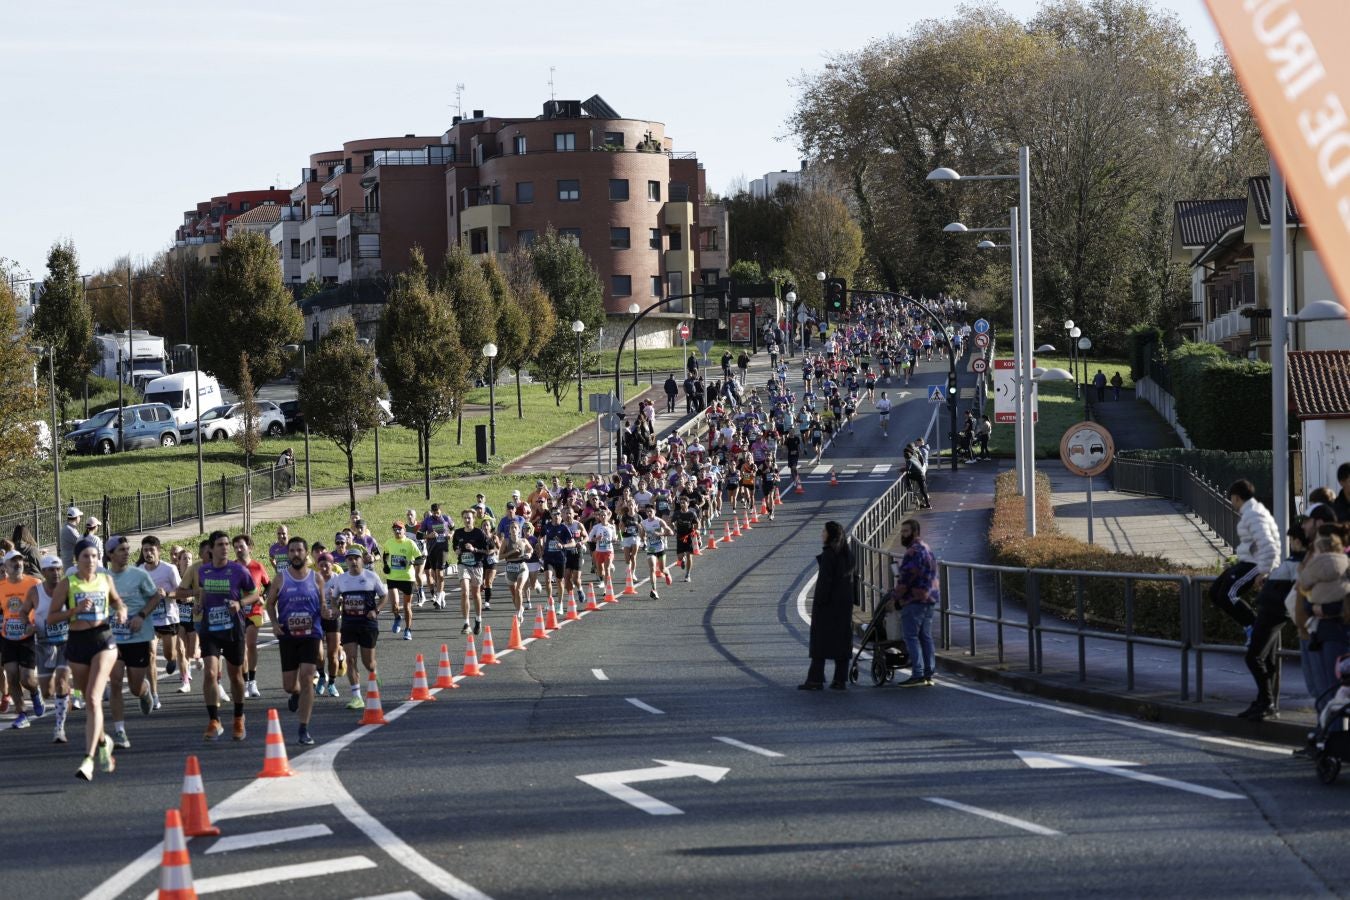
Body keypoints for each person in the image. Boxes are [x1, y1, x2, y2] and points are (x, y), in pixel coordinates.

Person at [47, 537, 126, 780]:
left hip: (103, 640)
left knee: (92, 697)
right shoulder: (67, 584)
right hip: (78, 642)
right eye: (86, 556)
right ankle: (103, 743)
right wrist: (75, 611)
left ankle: (88, 760)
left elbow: (117, 601)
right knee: (91, 704)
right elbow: (51, 617)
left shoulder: (105, 579)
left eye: (94, 556)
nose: (91, 560)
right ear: (77, 560)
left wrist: (121, 611)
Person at [195, 531, 256, 742]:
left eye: (227, 544)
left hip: (232, 628)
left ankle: (239, 717)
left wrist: (240, 603)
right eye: (220, 544)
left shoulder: (238, 570)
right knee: (210, 673)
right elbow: (203, 591)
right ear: (211, 549)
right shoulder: (204, 571)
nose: (225, 548)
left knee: (236, 675)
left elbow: (254, 594)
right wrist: (199, 604)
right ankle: (214, 720)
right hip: (210, 629)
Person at [266, 535, 327, 745]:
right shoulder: (280, 578)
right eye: (292, 551)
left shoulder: (316, 578)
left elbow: (323, 605)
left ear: (306, 553)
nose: (295, 554)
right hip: (288, 636)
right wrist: (274, 624)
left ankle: (304, 728)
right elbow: (269, 604)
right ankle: (296, 693)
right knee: (289, 685)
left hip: (311, 634)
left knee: (307, 677)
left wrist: (327, 612)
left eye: (299, 550)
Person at [1240, 525, 1304, 720]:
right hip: (1271, 610)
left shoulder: (1301, 562)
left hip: (1274, 612)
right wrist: (1270, 579)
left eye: (1292, 540)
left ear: (1298, 541)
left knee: (1254, 657)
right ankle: (1263, 701)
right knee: (1265, 658)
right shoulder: (1295, 560)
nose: (1290, 543)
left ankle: (1267, 702)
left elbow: (1297, 588)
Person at [105, 535, 162, 749]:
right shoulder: (103, 578)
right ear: (110, 554)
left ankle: (144, 691)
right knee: (115, 682)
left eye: (128, 549)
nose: (127, 553)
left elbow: (156, 596)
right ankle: (120, 731)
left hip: (138, 637)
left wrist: (141, 615)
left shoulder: (139, 575)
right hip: (113, 638)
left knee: (135, 686)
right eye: (122, 549)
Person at [1208, 480, 1279, 633]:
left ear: (1236, 498)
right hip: (1246, 562)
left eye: (1231, 499)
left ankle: (1255, 628)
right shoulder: (1249, 513)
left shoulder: (1254, 514)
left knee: (1228, 595)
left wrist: (1264, 571)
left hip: (1255, 564)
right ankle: (1250, 626)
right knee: (1215, 592)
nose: (1232, 503)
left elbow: (1269, 543)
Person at [800, 521, 855, 691]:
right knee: (842, 641)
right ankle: (840, 679)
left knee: (820, 643)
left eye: (824, 531)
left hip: (828, 605)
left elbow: (824, 582)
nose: (821, 534)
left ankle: (815, 679)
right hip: (844, 605)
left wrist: (819, 603)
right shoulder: (848, 555)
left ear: (830, 535)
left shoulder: (829, 555)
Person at [334, 546, 387, 710]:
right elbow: (334, 598)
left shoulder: (371, 576)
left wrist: (376, 610)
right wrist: (336, 609)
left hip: (367, 623)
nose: (353, 561)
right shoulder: (341, 579)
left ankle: (374, 671)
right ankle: (356, 697)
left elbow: (384, 596)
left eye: (356, 558)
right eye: (349, 559)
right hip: (349, 623)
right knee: (350, 659)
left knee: (368, 662)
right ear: (346, 562)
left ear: (362, 560)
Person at [891, 518, 939, 686]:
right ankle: (929, 672)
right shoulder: (927, 548)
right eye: (902, 531)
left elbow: (906, 579)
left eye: (906, 531)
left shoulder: (912, 552)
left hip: (914, 599)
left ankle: (917, 673)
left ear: (915, 532)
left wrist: (895, 597)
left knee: (910, 636)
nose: (902, 535)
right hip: (930, 598)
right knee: (925, 636)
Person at [31, 554, 71, 742]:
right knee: (47, 692)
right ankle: (63, 694)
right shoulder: (35, 592)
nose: (56, 573)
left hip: (66, 643)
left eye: (58, 569)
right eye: (51, 570)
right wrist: (28, 625)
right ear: (44, 572)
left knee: (61, 682)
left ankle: (59, 728)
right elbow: (23, 612)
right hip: (44, 645)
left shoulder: (69, 589)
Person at [2, 550, 43, 728]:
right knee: (11, 675)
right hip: (7, 636)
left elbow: (43, 608)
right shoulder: (1, 586)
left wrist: (36, 625)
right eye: (13, 561)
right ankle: (22, 714)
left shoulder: (34, 584)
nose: (17, 564)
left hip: (28, 635)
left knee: (26, 679)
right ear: (5, 567)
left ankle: (35, 692)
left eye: (19, 560)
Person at [233, 534, 270, 700]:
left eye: (241, 546)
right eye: (236, 547)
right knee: (242, 648)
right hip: (237, 612)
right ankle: (245, 680)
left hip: (254, 611)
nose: (238, 550)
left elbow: (269, 585)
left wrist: (263, 597)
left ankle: (252, 682)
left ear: (250, 548)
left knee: (251, 644)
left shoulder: (258, 566)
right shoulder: (231, 567)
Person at [384, 521, 420, 641]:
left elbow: (420, 558)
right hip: (392, 577)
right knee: (394, 605)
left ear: (404, 531)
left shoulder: (410, 543)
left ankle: (408, 629)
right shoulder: (389, 542)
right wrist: (386, 565)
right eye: (395, 529)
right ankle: (397, 617)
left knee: (406, 606)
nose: (397, 531)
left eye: (399, 529)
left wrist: (412, 562)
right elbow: (385, 554)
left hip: (407, 578)